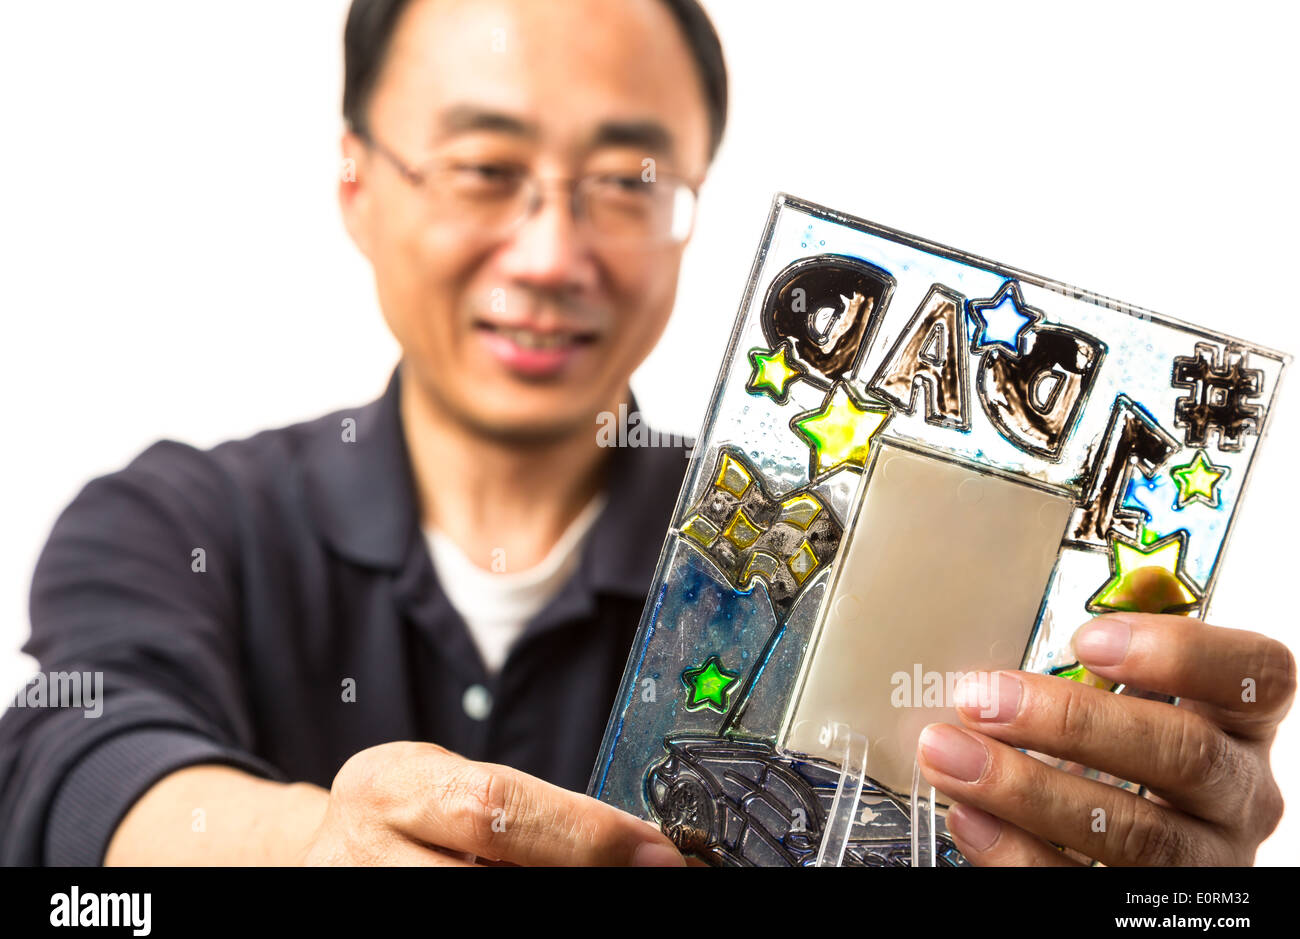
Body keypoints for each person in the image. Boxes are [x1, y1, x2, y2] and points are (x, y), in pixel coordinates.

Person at [0, 0, 1291, 867]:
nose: (553, 253)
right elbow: (72, 757)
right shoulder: (177, 525)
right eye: (483, 166)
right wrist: (307, 849)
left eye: (628, 181)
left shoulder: (802, 551)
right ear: (357, 180)